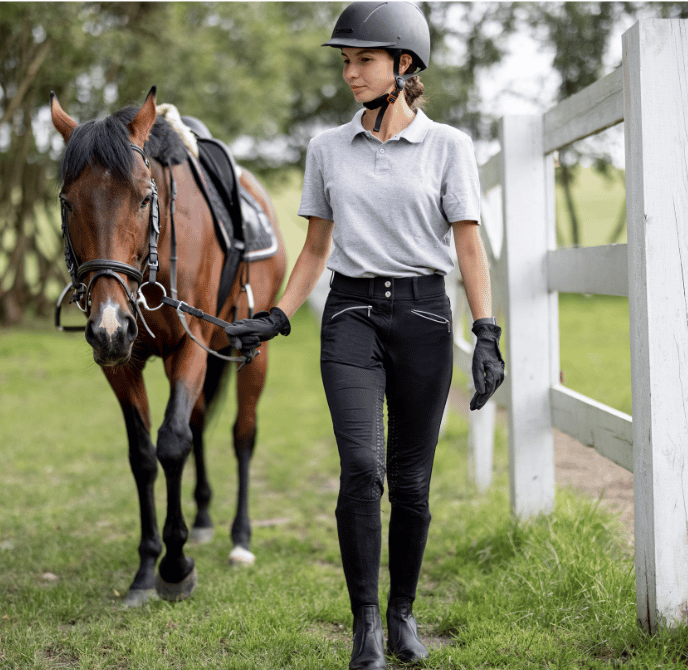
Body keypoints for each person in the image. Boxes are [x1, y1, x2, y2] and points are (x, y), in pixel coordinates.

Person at [224, 2, 504, 668]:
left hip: (425, 319)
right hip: (349, 316)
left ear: (403, 65)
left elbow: (470, 250)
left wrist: (487, 332)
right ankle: (366, 628)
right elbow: (315, 250)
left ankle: (404, 613)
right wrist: (277, 314)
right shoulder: (326, 148)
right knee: (361, 470)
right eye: (346, 61)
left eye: (363, 60)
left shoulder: (448, 148)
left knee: (410, 483)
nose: (350, 73)